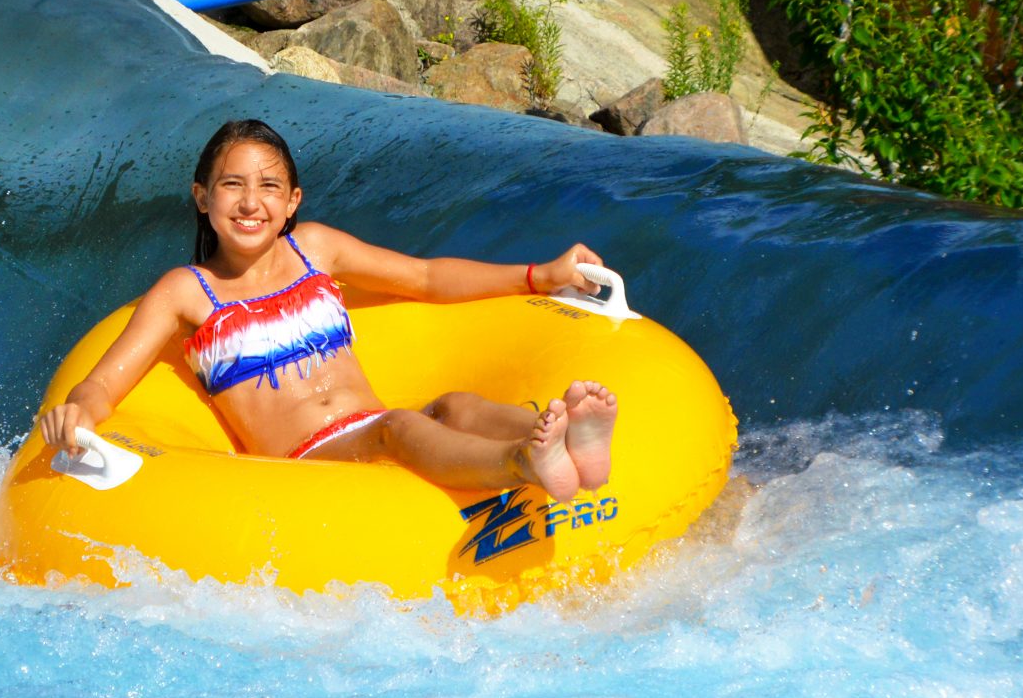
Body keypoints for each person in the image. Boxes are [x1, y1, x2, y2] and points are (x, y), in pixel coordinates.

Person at [35, 118, 618, 499]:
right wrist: (76, 414)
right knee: (400, 425)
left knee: (452, 404)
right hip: (307, 465)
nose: (249, 203)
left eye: (268, 188)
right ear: (202, 197)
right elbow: (103, 385)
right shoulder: (185, 292)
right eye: (231, 185)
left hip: (369, 426)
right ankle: (522, 461)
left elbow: (424, 277)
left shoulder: (314, 248)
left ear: (292, 202)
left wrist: (540, 275)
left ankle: (571, 440)